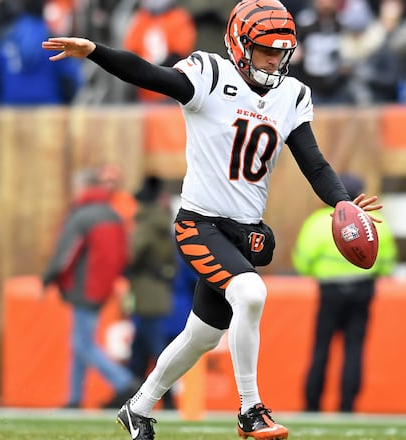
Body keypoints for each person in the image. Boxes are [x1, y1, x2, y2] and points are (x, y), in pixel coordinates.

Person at [42, 1, 382, 437]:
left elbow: (313, 163)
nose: (274, 60)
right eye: (265, 50)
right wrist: (96, 51)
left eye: (281, 52)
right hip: (199, 223)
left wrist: (341, 201)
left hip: (245, 231)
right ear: (240, 44)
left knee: (202, 335)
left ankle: (138, 408)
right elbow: (149, 74)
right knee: (251, 293)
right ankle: (250, 409)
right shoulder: (208, 74)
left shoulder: (291, 95)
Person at [291, 173, 397, 413]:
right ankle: (347, 406)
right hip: (362, 289)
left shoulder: (318, 222)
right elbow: (387, 262)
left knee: (321, 349)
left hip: (329, 291)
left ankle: (312, 406)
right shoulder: (376, 221)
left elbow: (302, 262)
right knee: (354, 349)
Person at [42, 168, 141, 410]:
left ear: (84, 188)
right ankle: (74, 398)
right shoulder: (113, 215)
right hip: (103, 286)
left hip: (83, 286)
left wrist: (49, 277)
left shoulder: (82, 215)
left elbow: (66, 252)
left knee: (82, 344)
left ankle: (125, 382)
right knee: (80, 342)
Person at [126, 176, 176, 383]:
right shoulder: (163, 223)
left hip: (145, 287)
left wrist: (125, 265)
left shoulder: (146, 223)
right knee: (141, 342)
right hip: (158, 286)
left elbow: (134, 252)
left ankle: (167, 391)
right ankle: (132, 385)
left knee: (154, 342)